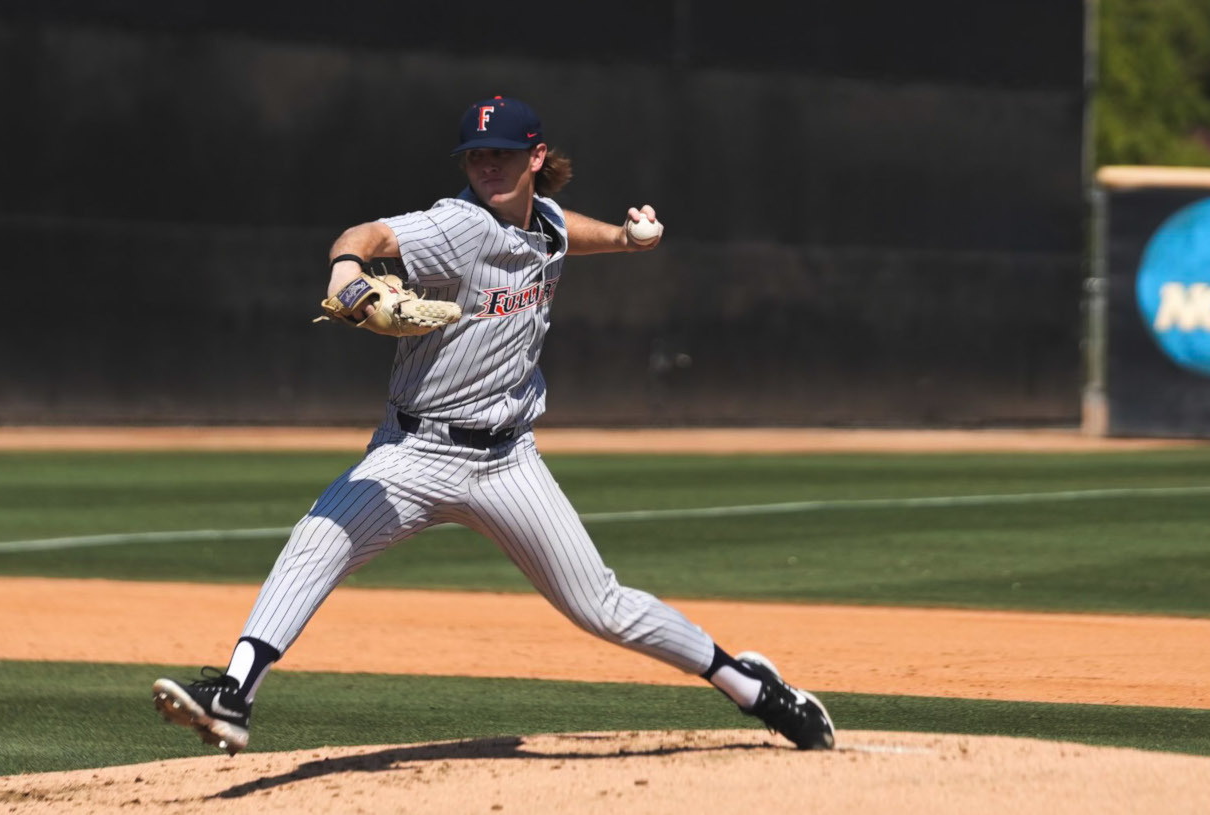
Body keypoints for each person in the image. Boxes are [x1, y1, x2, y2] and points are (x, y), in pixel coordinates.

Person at [152, 96, 834, 755]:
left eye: (503, 154)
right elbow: (368, 236)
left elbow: (567, 230)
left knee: (603, 606)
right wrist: (348, 272)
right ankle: (233, 696)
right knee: (318, 538)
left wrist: (627, 239)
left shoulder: (546, 223)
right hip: (412, 452)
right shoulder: (460, 225)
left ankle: (755, 688)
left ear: (535, 156)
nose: (488, 166)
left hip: (508, 463)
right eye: (476, 154)